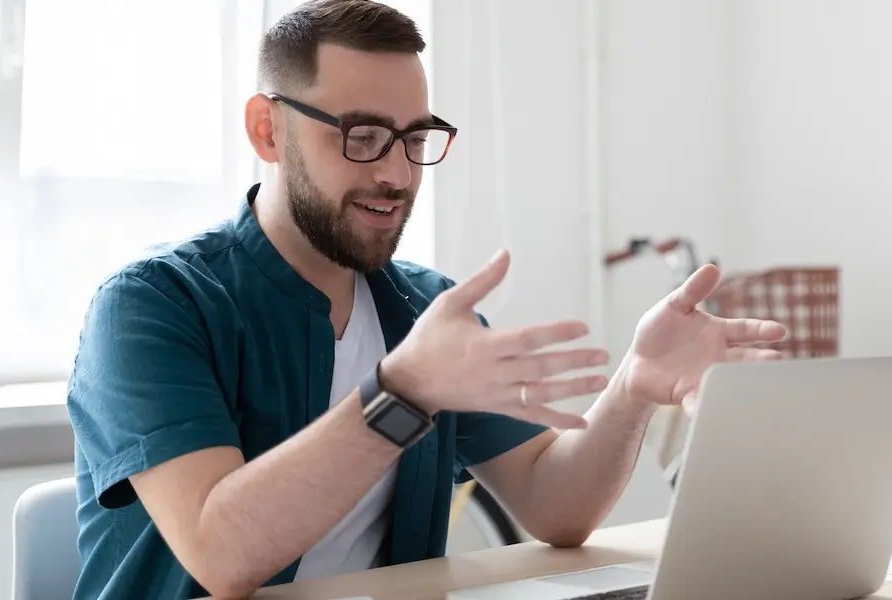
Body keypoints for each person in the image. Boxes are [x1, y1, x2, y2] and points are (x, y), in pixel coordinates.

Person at [66, 1, 788, 598]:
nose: (395, 173)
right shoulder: (150, 308)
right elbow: (221, 555)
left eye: (415, 139)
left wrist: (634, 387)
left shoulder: (423, 308)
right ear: (268, 130)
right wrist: (402, 391)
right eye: (362, 136)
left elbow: (554, 505)